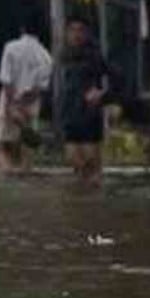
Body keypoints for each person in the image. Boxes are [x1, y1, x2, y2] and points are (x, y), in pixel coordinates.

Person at [60, 17, 112, 186]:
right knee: (73, 159)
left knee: (91, 163)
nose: (76, 35)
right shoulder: (64, 56)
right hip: (69, 115)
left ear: (87, 34)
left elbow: (117, 77)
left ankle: (94, 193)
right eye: (72, 30)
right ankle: (81, 195)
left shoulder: (94, 56)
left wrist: (102, 95)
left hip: (89, 116)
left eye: (80, 30)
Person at [0, 15, 52, 173]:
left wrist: (13, 106)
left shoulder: (11, 48)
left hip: (8, 105)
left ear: (22, 29)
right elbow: (39, 88)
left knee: (4, 148)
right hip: (31, 107)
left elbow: (6, 81)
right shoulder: (45, 56)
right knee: (27, 151)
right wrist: (23, 101)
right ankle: (25, 175)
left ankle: (7, 179)